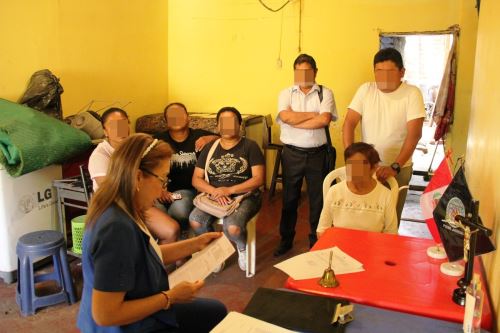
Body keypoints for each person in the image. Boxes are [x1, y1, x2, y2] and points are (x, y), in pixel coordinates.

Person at [77, 133, 227, 332]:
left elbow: (144, 255)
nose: (162, 191)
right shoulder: (115, 229)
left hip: (138, 311)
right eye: (162, 180)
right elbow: (105, 315)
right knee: (213, 314)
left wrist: (196, 243)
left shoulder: (124, 206)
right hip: (126, 326)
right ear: (138, 176)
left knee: (215, 311)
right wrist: (170, 297)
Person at [343, 47, 426, 223]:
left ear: (402, 72)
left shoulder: (412, 93)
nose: (383, 77)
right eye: (379, 72)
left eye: (389, 72)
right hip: (367, 166)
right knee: (363, 216)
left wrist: (395, 167)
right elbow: (349, 123)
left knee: (390, 219)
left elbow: (415, 134)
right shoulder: (366, 90)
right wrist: (351, 158)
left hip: (399, 168)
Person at [274, 54, 338, 256]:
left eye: (307, 71)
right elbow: (285, 117)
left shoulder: (325, 93)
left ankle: (315, 240)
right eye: (299, 71)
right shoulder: (286, 93)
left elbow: (324, 120)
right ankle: (286, 239)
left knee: (318, 200)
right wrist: (313, 114)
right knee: (289, 199)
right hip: (291, 154)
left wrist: (296, 120)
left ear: (315, 72)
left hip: (317, 155)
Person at [88, 107, 179, 244]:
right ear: (105, 131)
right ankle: (155, 260)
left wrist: (160, 189)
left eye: (123, 124)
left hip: (140, 199)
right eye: (113, 126)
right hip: (120, 205)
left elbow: (152, 173)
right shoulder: (100, 156)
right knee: (171, 230)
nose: (120, 129)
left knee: (175, 216)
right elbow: (113, 191)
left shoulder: (134, 147)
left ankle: (165, 261)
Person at [189, 107, 265, 271]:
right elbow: (196, 178)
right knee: (195, 221)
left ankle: (242, 247)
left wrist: (229, 190)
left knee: (233, 228)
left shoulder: (250, 146)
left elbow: (259, 179)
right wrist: (215, 191)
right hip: (214, 196)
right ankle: (214, 252)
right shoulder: (210, 148)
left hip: (245, 196)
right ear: (217, 126)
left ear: (239, 125)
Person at [154, 103, 218, 237]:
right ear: (166, 121)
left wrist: (210, 138)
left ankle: (182, 241)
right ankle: (169, 246)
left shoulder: (200, 135)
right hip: (162, 190)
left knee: (179, 211)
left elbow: (224, 138)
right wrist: (159, 190)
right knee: (156, 213)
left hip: (191, 190)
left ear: (188, 118)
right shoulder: (158, 140)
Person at [317, 142, 398, 237]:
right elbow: (322, 230)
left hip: (372, 248)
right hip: (339, 247)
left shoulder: (385, 195)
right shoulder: (334, 191)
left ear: (374, 167)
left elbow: (391, 234)